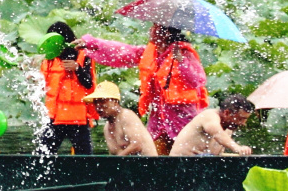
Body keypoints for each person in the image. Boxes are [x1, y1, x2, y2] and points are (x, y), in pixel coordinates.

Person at [82, 24, 209, 153]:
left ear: (167, 34)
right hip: (158, 124)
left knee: (185, 162)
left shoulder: (184, 53)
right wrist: (91, 44)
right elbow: (123, 52)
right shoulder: (150, 53)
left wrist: (181, 62)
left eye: (156, 28)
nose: (151, 30)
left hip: (183, 121)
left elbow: (197, 80)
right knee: (157, 163)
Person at [34, 22, 97, 156]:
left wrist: (77, 69)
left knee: (85, 157)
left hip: (78, 118)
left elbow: (89, 83)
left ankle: (86, 177)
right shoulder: (49, 59)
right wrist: (33, 78)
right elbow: (43, 84)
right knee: (43, 154)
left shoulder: (84, 55)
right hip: (55, 117)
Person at [170, 94, 256, 157]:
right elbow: (217, 134)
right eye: (240, 119)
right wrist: (238, 148)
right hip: (180, 165)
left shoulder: (228, 128)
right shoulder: (209, 116)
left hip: (200, 163)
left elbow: (217, 155)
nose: (243, 123)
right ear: (227, 113)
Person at [86, 81, 159, 156]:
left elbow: (137, 145)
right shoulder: (107, 128)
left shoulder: (126, 116)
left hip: (148, 165)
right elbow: (116, 153)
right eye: (95, 102)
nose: (98, 106)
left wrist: (115, 161)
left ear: (115, 102)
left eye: (102, 101)